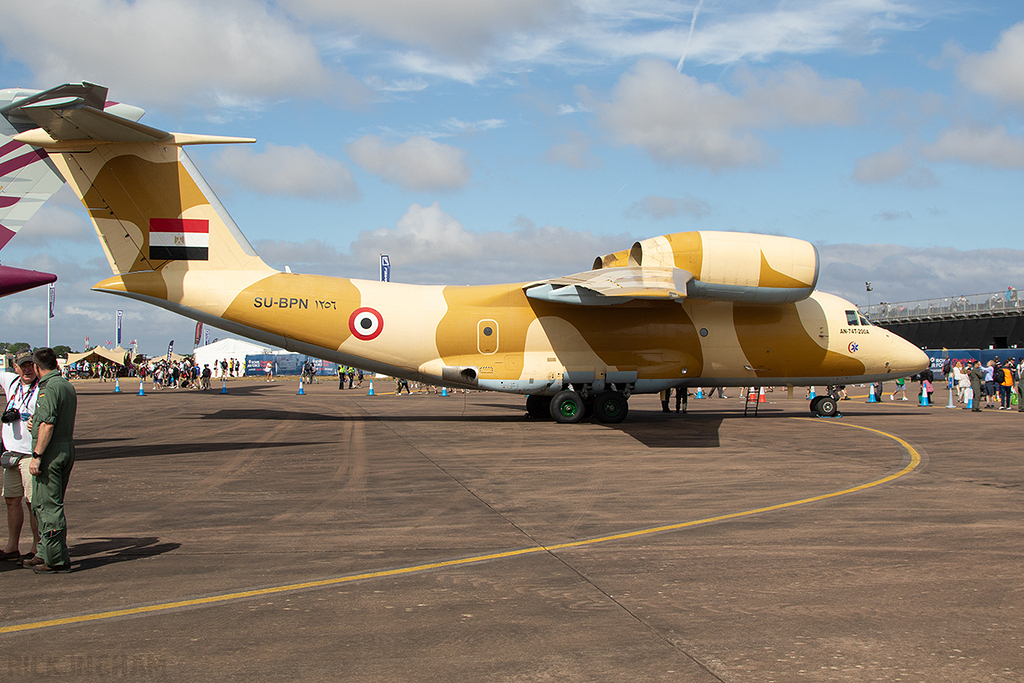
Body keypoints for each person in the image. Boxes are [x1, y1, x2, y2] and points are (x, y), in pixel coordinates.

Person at [25, 348, 77, 573]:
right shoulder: (65, 384)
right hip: (65, 446)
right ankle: (44, 551)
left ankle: (55, 559)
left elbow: (48, 423)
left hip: (51, 451)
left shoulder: (49, 388)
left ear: (37, 367)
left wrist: (37, 456)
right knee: (44, 502)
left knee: (48, 506)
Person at [1, 352, 41, 562]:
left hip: (30, 453)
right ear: (15, 368)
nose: (27, 370)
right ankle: (11, 546)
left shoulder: (42, 388)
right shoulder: (11, 382)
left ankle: (36, 546)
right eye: (23, 366)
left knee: (32, 501)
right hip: (11, 453)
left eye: (30, 366)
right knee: (11, 499)